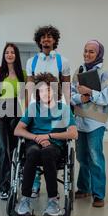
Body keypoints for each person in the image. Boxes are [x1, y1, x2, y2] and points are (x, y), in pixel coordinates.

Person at [14, 73, 78, 216]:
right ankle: (25, 200)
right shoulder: (33, 107)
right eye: (41, 90)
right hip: (34, 144)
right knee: (32, 153)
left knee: (47, 153)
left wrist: (49, 136)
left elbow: (74, 134)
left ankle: (53, 202)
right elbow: (18, 130)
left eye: (48, 90)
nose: (45, 93)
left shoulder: (64, 109)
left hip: (55, 146)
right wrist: (37, 137)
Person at [26, 25, 71, 198]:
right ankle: (35, 185)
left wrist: (66, 108)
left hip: (56, 106)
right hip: (37, 105)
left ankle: (52, 181)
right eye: (43, 37)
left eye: (50, 37)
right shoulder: (32, 62)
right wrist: (29, 107)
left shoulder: (62, 61)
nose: (46, 39)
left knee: (51, 142)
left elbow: (66, 86)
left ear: (54, 40)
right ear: (39, 41)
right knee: (35, 142)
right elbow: (30, 86)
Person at [71, 40, 108, 207]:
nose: (87, 54)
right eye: (85, 51)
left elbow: (106, 98)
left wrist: (89, 92)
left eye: (91, 52)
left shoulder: (105, 74)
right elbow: (71, 94)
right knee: (82, 157)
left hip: (96, 123)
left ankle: (98, 194)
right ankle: (84, 188)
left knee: (95, 157)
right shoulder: (78, 72)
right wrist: (80, 98)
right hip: (79, 121)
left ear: (98, 55)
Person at [0, 43, 27, 200]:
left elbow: (25, 98)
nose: (9, 55)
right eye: (7, 52)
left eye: (12, 52)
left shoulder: (22, 73)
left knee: (14, 150)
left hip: (16, 113)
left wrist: (26, 118)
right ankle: (4, 187)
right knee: (3, 150)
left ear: (16, 55)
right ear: (3, 55)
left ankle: (14, 182)